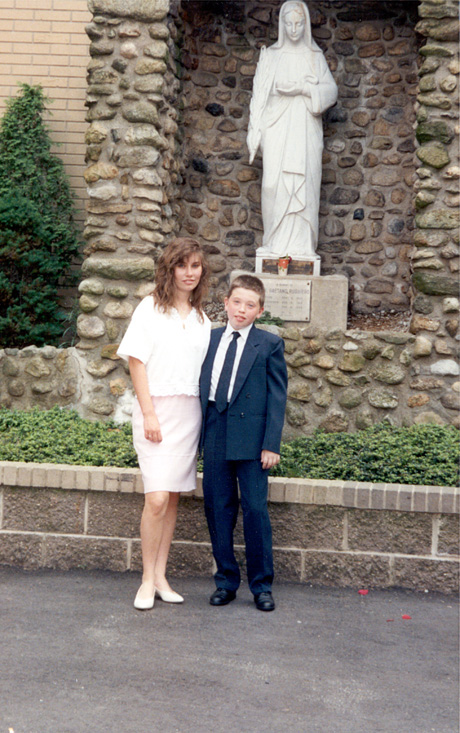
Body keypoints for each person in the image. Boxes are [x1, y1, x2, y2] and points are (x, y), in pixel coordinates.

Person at [117, 237, 211, 610]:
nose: (189, 273)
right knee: (155, 498)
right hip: (155, 411)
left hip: (189, 414)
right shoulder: (149, 308)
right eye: (182, 265)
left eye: (195, 266)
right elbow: (136, 361)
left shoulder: (204, 319)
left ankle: (160, 577)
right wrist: (150, 413)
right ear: (169, 269)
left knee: (171, 497)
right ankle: (144, 580)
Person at [199, 275, 288, 611]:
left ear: (259, 311)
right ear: (226, 303)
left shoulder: (268, 345)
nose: (242, 309)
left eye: (250, 305)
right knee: (218, 510)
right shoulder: (208, 340)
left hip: (253, 442)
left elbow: (277, 398)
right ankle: (225, 581)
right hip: (216, 430)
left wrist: (271, 444)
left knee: (254, 510)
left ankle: (261, 586)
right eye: (237, 302)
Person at [247, 0, 338, 258]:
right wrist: (257, 131)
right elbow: (261, 95)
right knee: (272, 185)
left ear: (305, 25)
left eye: (299, 23)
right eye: (289, 24)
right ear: (282, 25)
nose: (294, 29)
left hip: (304, 129)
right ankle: (274, 242)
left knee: (304, 185)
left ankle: (301, 247)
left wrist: (303, 89)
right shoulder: (272, 56)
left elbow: (331, 91)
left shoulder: (314, 56)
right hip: (276, 129)